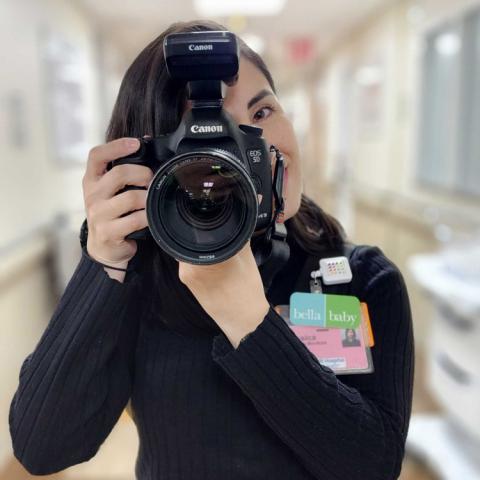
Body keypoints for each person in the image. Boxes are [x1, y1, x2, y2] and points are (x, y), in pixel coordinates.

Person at [9, 20, 415, 480]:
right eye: (206, 139)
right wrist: (104, 262)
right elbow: (42, 448)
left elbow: (373, 466)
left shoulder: (362, 277)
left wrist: (249, 321)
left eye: (261, 114)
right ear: (155, 163)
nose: (240, 153)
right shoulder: (141, 277)